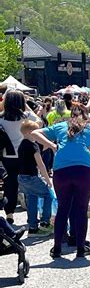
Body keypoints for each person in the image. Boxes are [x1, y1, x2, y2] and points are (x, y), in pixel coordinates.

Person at [32, 102, 90, 258]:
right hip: (84, 170)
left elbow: (35, 133)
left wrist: (52, 145)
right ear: (87, 116)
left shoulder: (60, 127)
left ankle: (57, 247)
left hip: (61, 171)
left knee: (63, 209)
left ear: (70, 116)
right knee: (81, 209)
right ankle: (80, 248)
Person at [0, 90, 42, 225]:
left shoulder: (1, 118)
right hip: (26, 155)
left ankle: (10, 213)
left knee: (10, 184)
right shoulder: (27, 117)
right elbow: (40, 123)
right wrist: (28, 106)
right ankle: (32, 215)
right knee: (30, 184)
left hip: (8, 155)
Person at [17, 120, 54, 237]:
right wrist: (48, 179)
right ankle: (45, 222)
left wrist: (48, 144)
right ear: (29, 132)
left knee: (32, 199)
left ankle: (32, 227)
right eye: (36, 131)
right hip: (32, 177)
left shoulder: (22, 144)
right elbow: (41, 163)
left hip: (22, 177)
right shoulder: (33, 145)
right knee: (48, 195)